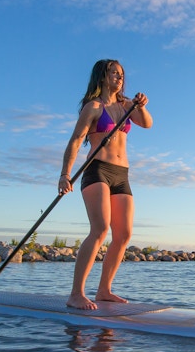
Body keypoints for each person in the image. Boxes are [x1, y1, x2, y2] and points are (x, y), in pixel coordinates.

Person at [59, 59, 153, 310]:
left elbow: (147, 123)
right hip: (97, 170)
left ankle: (104, 290)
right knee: (100, 229)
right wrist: (65, 175)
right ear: (102, 77)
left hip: (122, 174)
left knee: (123, 234)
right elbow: (76, 141)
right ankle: (76, 294)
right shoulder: (94, 107)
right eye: (113, 73)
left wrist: (140, 105)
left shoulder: (126, 105)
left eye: (121, 74)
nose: (119, 77)